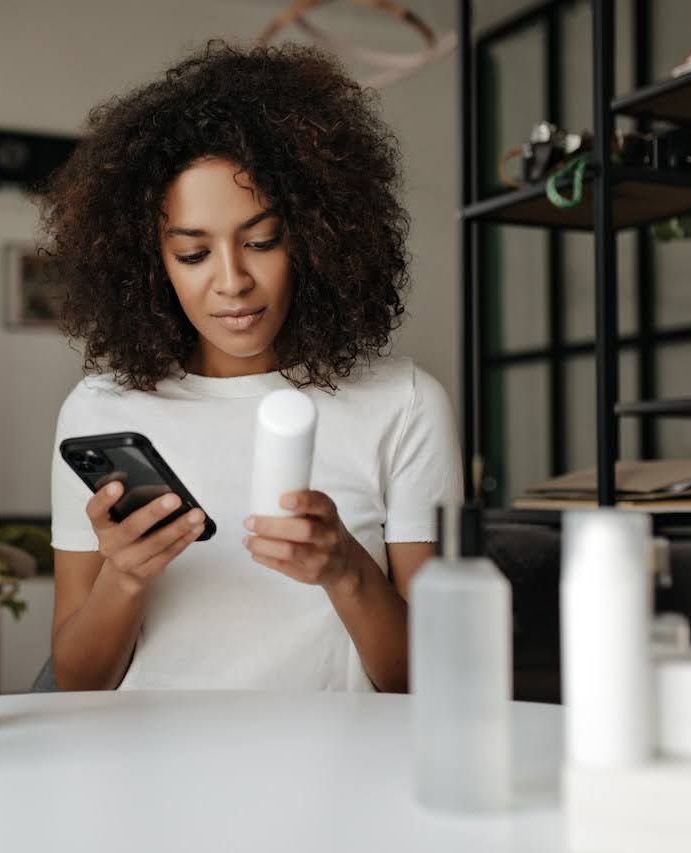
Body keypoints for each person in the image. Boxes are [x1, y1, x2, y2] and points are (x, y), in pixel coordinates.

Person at [39, 40, 462, 694]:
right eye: (192, 253)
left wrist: (346, 568)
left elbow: (437, 681)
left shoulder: (402, 403)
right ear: (151, 263)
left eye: (261, 241)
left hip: (336, 779)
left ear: (317, 238)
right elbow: (77, 682)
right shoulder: (99, 412)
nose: (231, 281)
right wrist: (124, 575)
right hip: (145, 780)